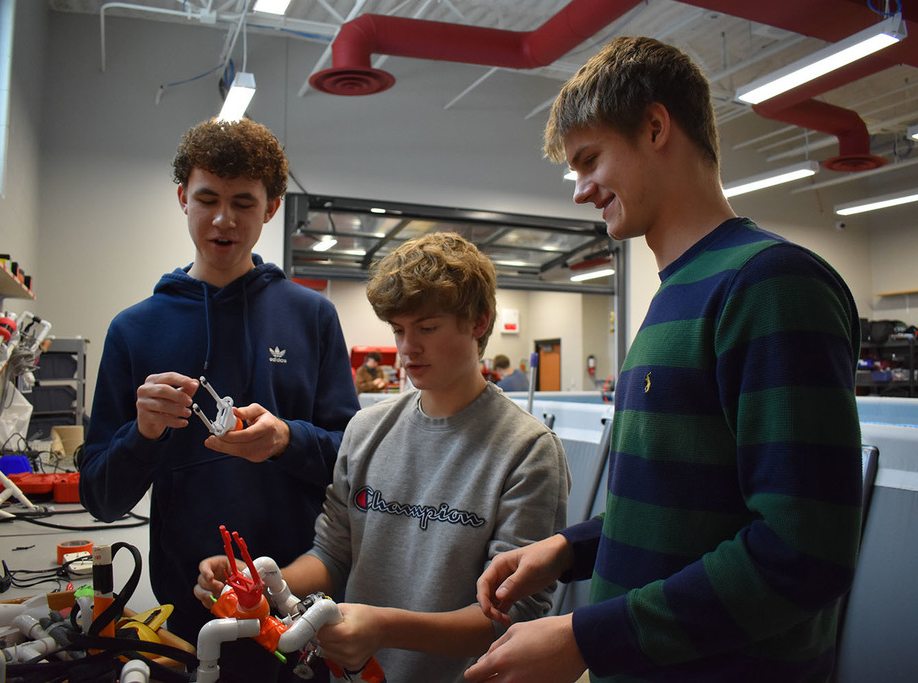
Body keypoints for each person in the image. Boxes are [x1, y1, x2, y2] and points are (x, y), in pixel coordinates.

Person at [467, 36, 862, 683]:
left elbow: (802, 551)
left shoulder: (770, 283)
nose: (581, 191)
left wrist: (588, 638)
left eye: (589, 160)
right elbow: (691, 506)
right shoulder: (675, 293)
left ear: (655, 126)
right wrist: (570, 548)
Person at [196, 232, 570, 682]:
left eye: (426, 328)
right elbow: (332, 556)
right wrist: (259, 584)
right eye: (398, 329)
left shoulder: (527, 451)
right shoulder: (367, 429)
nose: (407, 347)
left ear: (477, 323)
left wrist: (384, 628)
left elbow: (510, 617)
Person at [78, 118, 360, 656]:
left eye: (244, 203)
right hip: (188, 604)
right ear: (183, 198)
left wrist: (286, 440)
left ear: (272, 207)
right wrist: (143, 434)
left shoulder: (313, 317)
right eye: (207, 199)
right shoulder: (134, 329)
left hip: (294, 597)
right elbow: (102, 499)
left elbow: (352, 462)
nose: (223, 219)